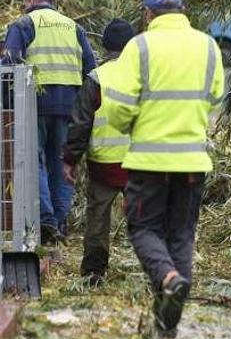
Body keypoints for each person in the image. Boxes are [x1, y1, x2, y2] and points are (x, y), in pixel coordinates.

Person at [101, 0, 224, 337]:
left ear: (148, 14)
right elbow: (215, 96)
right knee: (181, 235)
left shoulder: (139, 47)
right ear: (182, 9)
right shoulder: (208, 46)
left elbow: (119, 106)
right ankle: (167, 321)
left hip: (149, 161)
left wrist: (133, 125)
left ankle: (169, 278)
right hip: (192, 163)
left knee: (143, 229)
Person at [3, 0, 97, 243]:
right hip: (70, 107)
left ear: (30, 0)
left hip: (33, 104)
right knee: (61, 162)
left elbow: (9, 64)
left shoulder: (23, 24)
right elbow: (91, 69)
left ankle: (45, 220)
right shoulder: (74, 27)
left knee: (34, 163)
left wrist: (6, 104)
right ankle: (60, 221)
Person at [61, 19, 135, 286]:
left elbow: (81, 123)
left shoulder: (96, 78)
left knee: (98, 218)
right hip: (140, 161)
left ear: (105, 46)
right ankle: (158, 267)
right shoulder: (145, 76)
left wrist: (71, 159)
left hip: (104, 162)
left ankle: (94, 271)